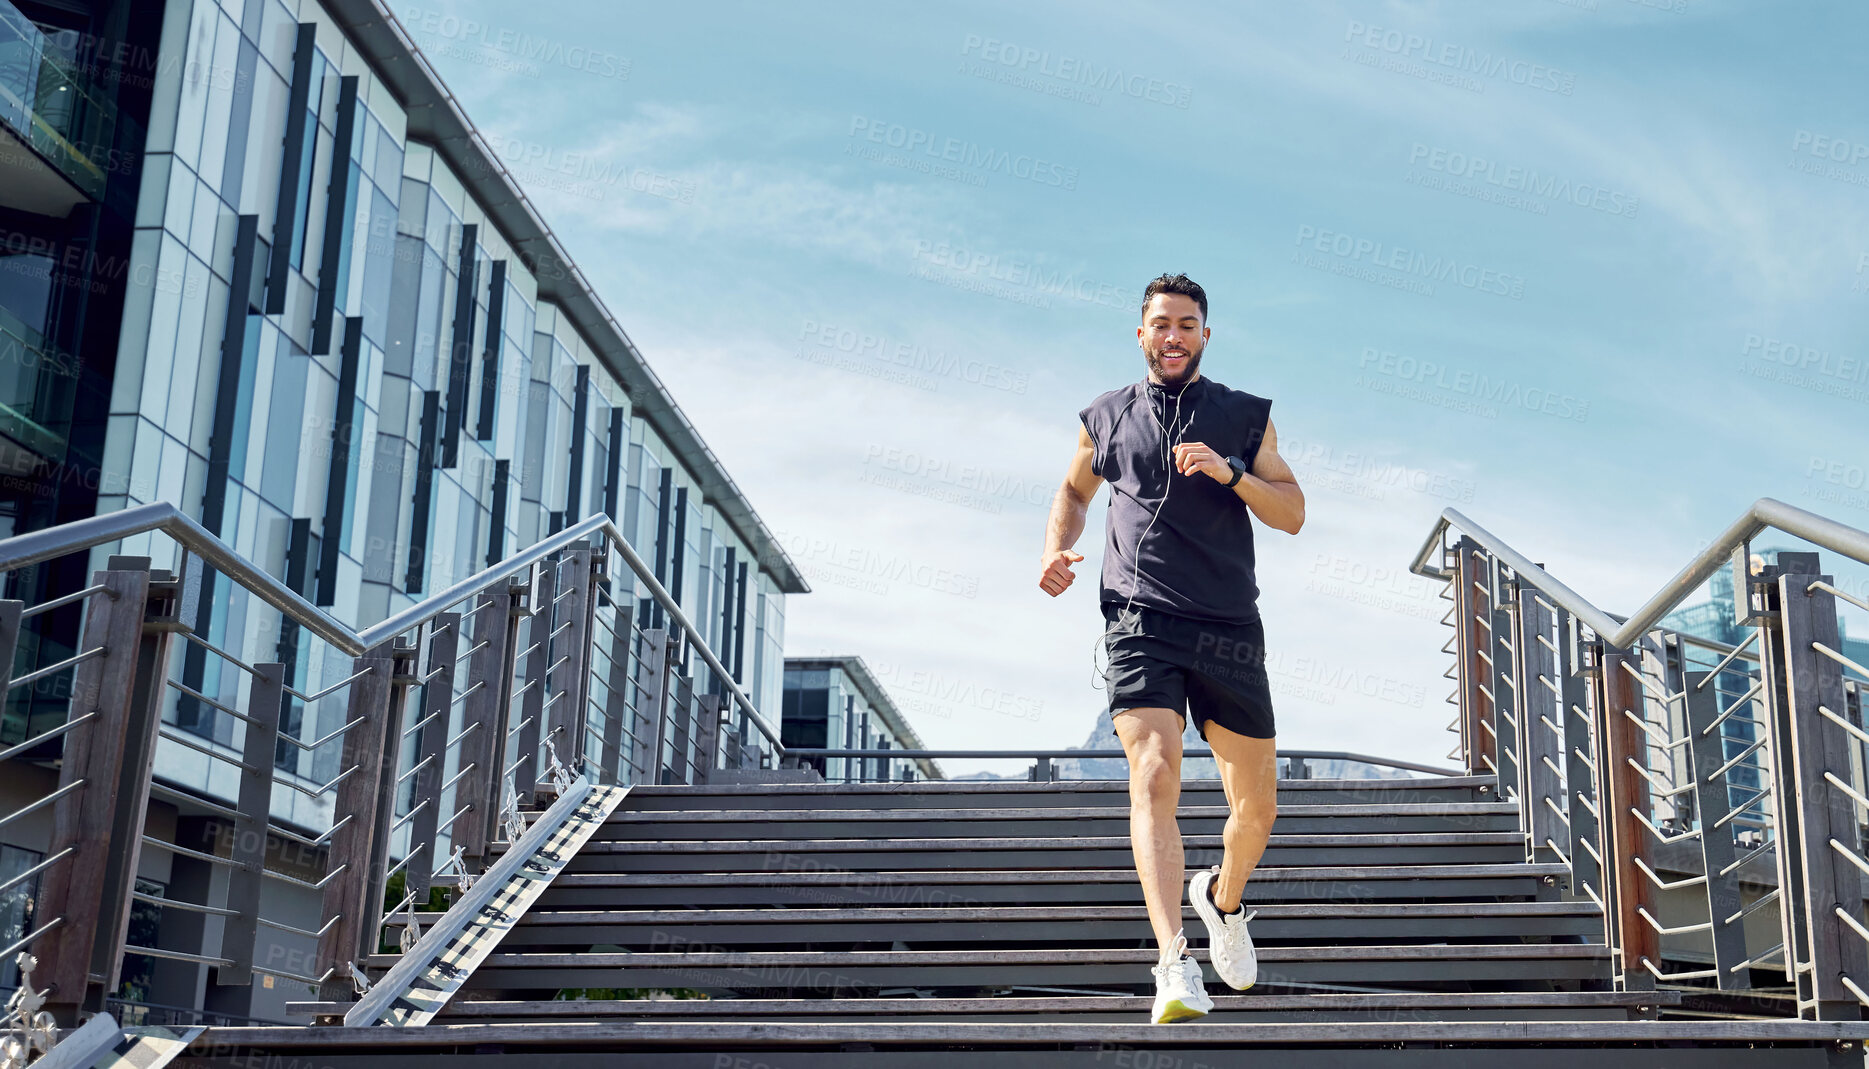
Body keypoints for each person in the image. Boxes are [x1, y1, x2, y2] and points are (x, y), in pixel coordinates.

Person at [1038, 273, 1304, 1024]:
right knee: (1153, 772)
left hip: (1226, 625)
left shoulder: (1243, 416)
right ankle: (1172, 962)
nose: (1173, 335)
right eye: (1161, 323)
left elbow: (1292, 513)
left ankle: (1224, 901)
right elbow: (1073, 491)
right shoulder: (1106, 416)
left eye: (1187, 324)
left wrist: (1232, 473)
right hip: (1137, 619)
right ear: (1141, 333)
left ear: (1205, 335)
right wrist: (1055, 548)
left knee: (1255, 806)